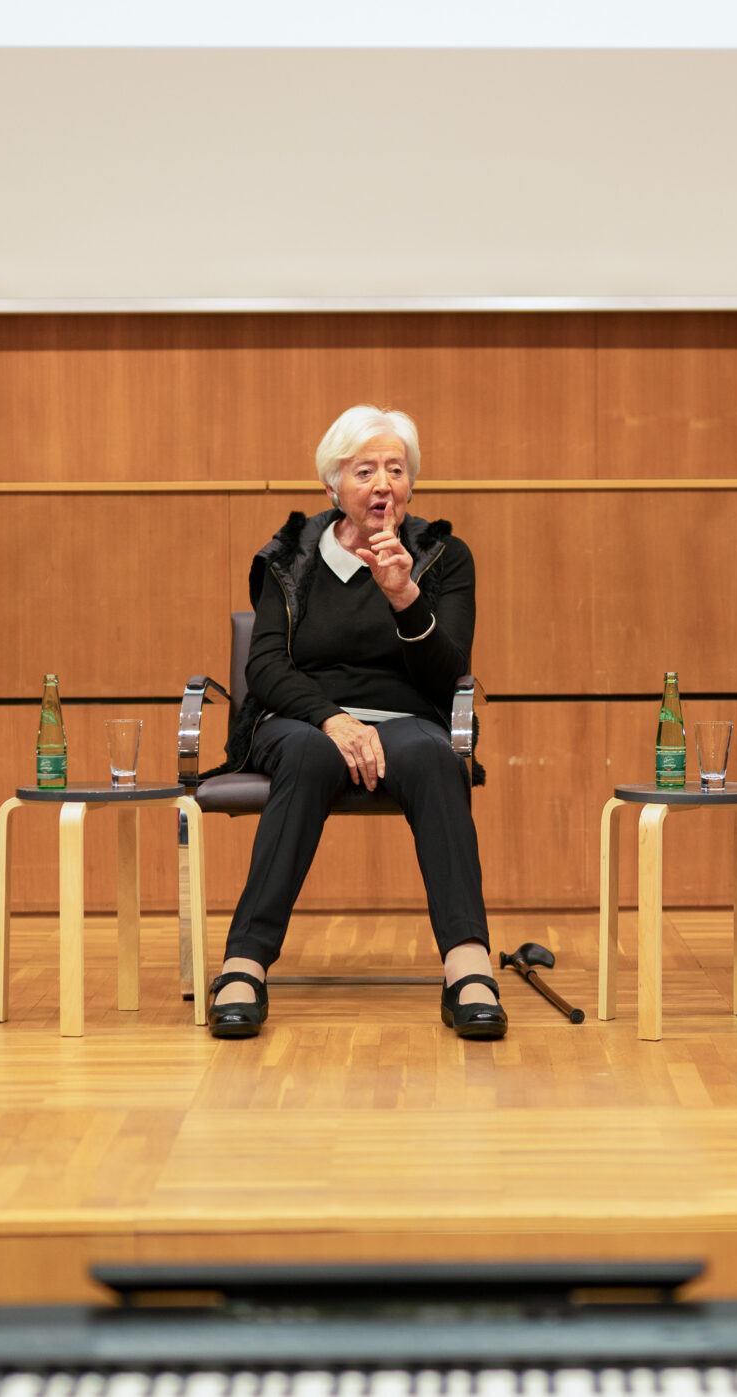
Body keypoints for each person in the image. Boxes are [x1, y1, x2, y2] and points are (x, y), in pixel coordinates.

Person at [200, 405, 499, 1041]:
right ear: (332, 484)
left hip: (404, 717)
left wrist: (404, 597)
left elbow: (450, 676)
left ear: (412, 486)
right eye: (365, 470)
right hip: (301, 721)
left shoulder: (444, 558)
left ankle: (468, 967)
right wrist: (332, 719)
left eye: (396, 469)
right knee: (309, 756)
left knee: (437, 758)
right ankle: (244, 963)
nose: (383, 484)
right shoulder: (288, 556)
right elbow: (266, 666)